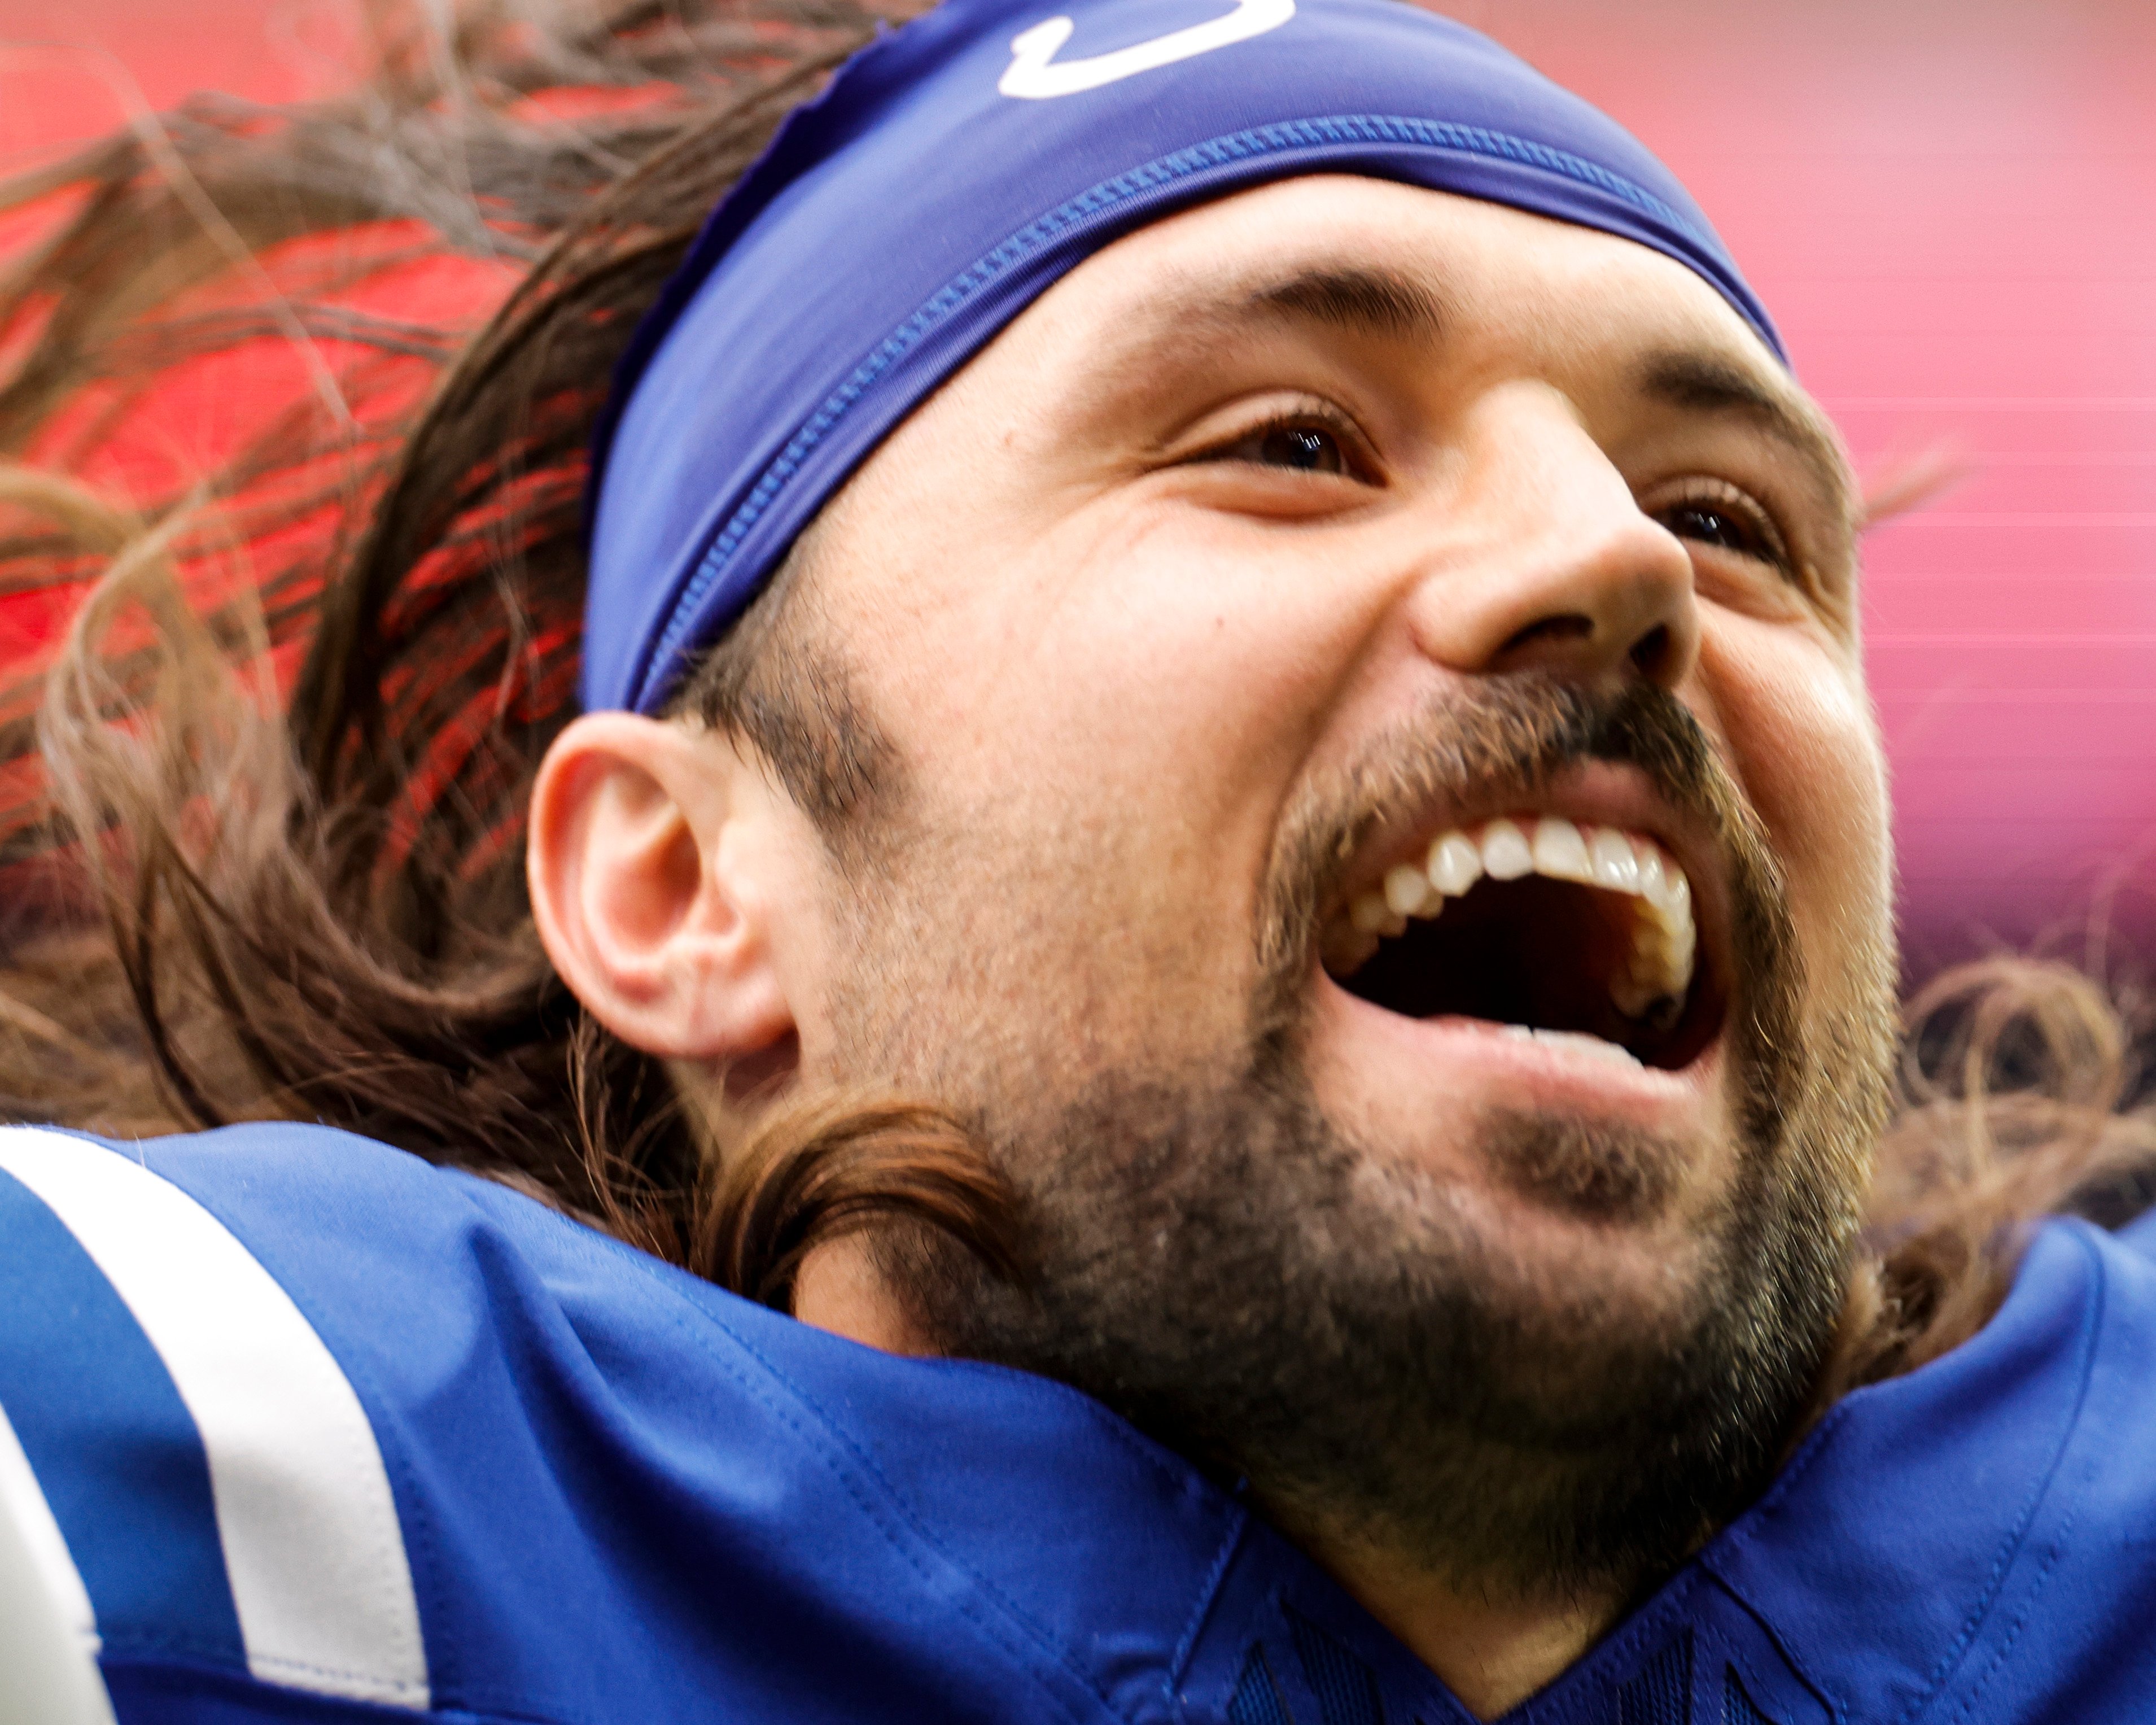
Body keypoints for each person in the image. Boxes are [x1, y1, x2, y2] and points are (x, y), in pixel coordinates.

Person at [0, 1, 2153, 1720]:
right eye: (1292, 447)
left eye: (1727, 525)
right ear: (683, 887)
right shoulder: (223, 1488)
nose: (1607, 559)